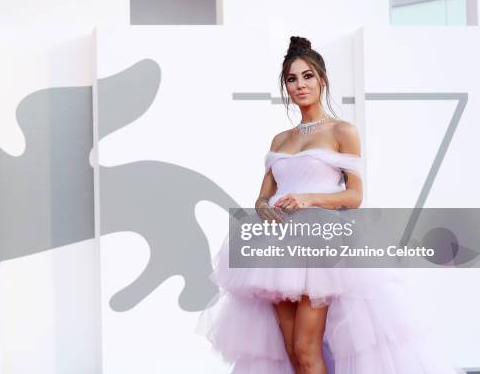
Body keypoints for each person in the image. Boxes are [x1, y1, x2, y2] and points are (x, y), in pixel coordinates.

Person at [196, 36, 463, 374]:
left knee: (307, 349)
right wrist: (264, 207)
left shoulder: (342, 130)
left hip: (320, 244)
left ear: (322, 80)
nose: (300, 85)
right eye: (291, 79)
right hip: (275, 249)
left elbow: (354, 195)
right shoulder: (281, 139)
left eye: (307, 76)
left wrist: (308, 198)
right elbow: (262, 196)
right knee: (292, 352)